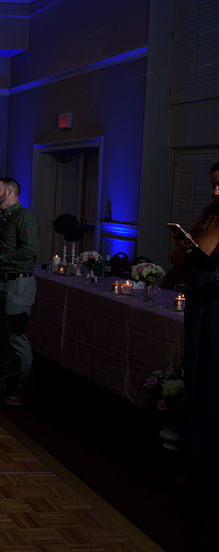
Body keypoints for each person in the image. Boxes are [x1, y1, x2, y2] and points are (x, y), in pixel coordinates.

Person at [171, 161, 219, 501]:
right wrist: (187, 246)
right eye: (213, 184)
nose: (216, 192)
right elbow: (179, 260)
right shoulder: (210, 216)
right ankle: (199, 466)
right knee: (199, 382)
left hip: (215, 307)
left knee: (212, 384)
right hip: (201, 301)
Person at [0, 178, 41, 407]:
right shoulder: (5, 220)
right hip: (3, 282)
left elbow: (30, 250)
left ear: (10, 192)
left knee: (17, 338)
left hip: (18, 283)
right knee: (6, 337)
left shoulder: (25, 217)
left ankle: (24, 389)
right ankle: (9, 381)